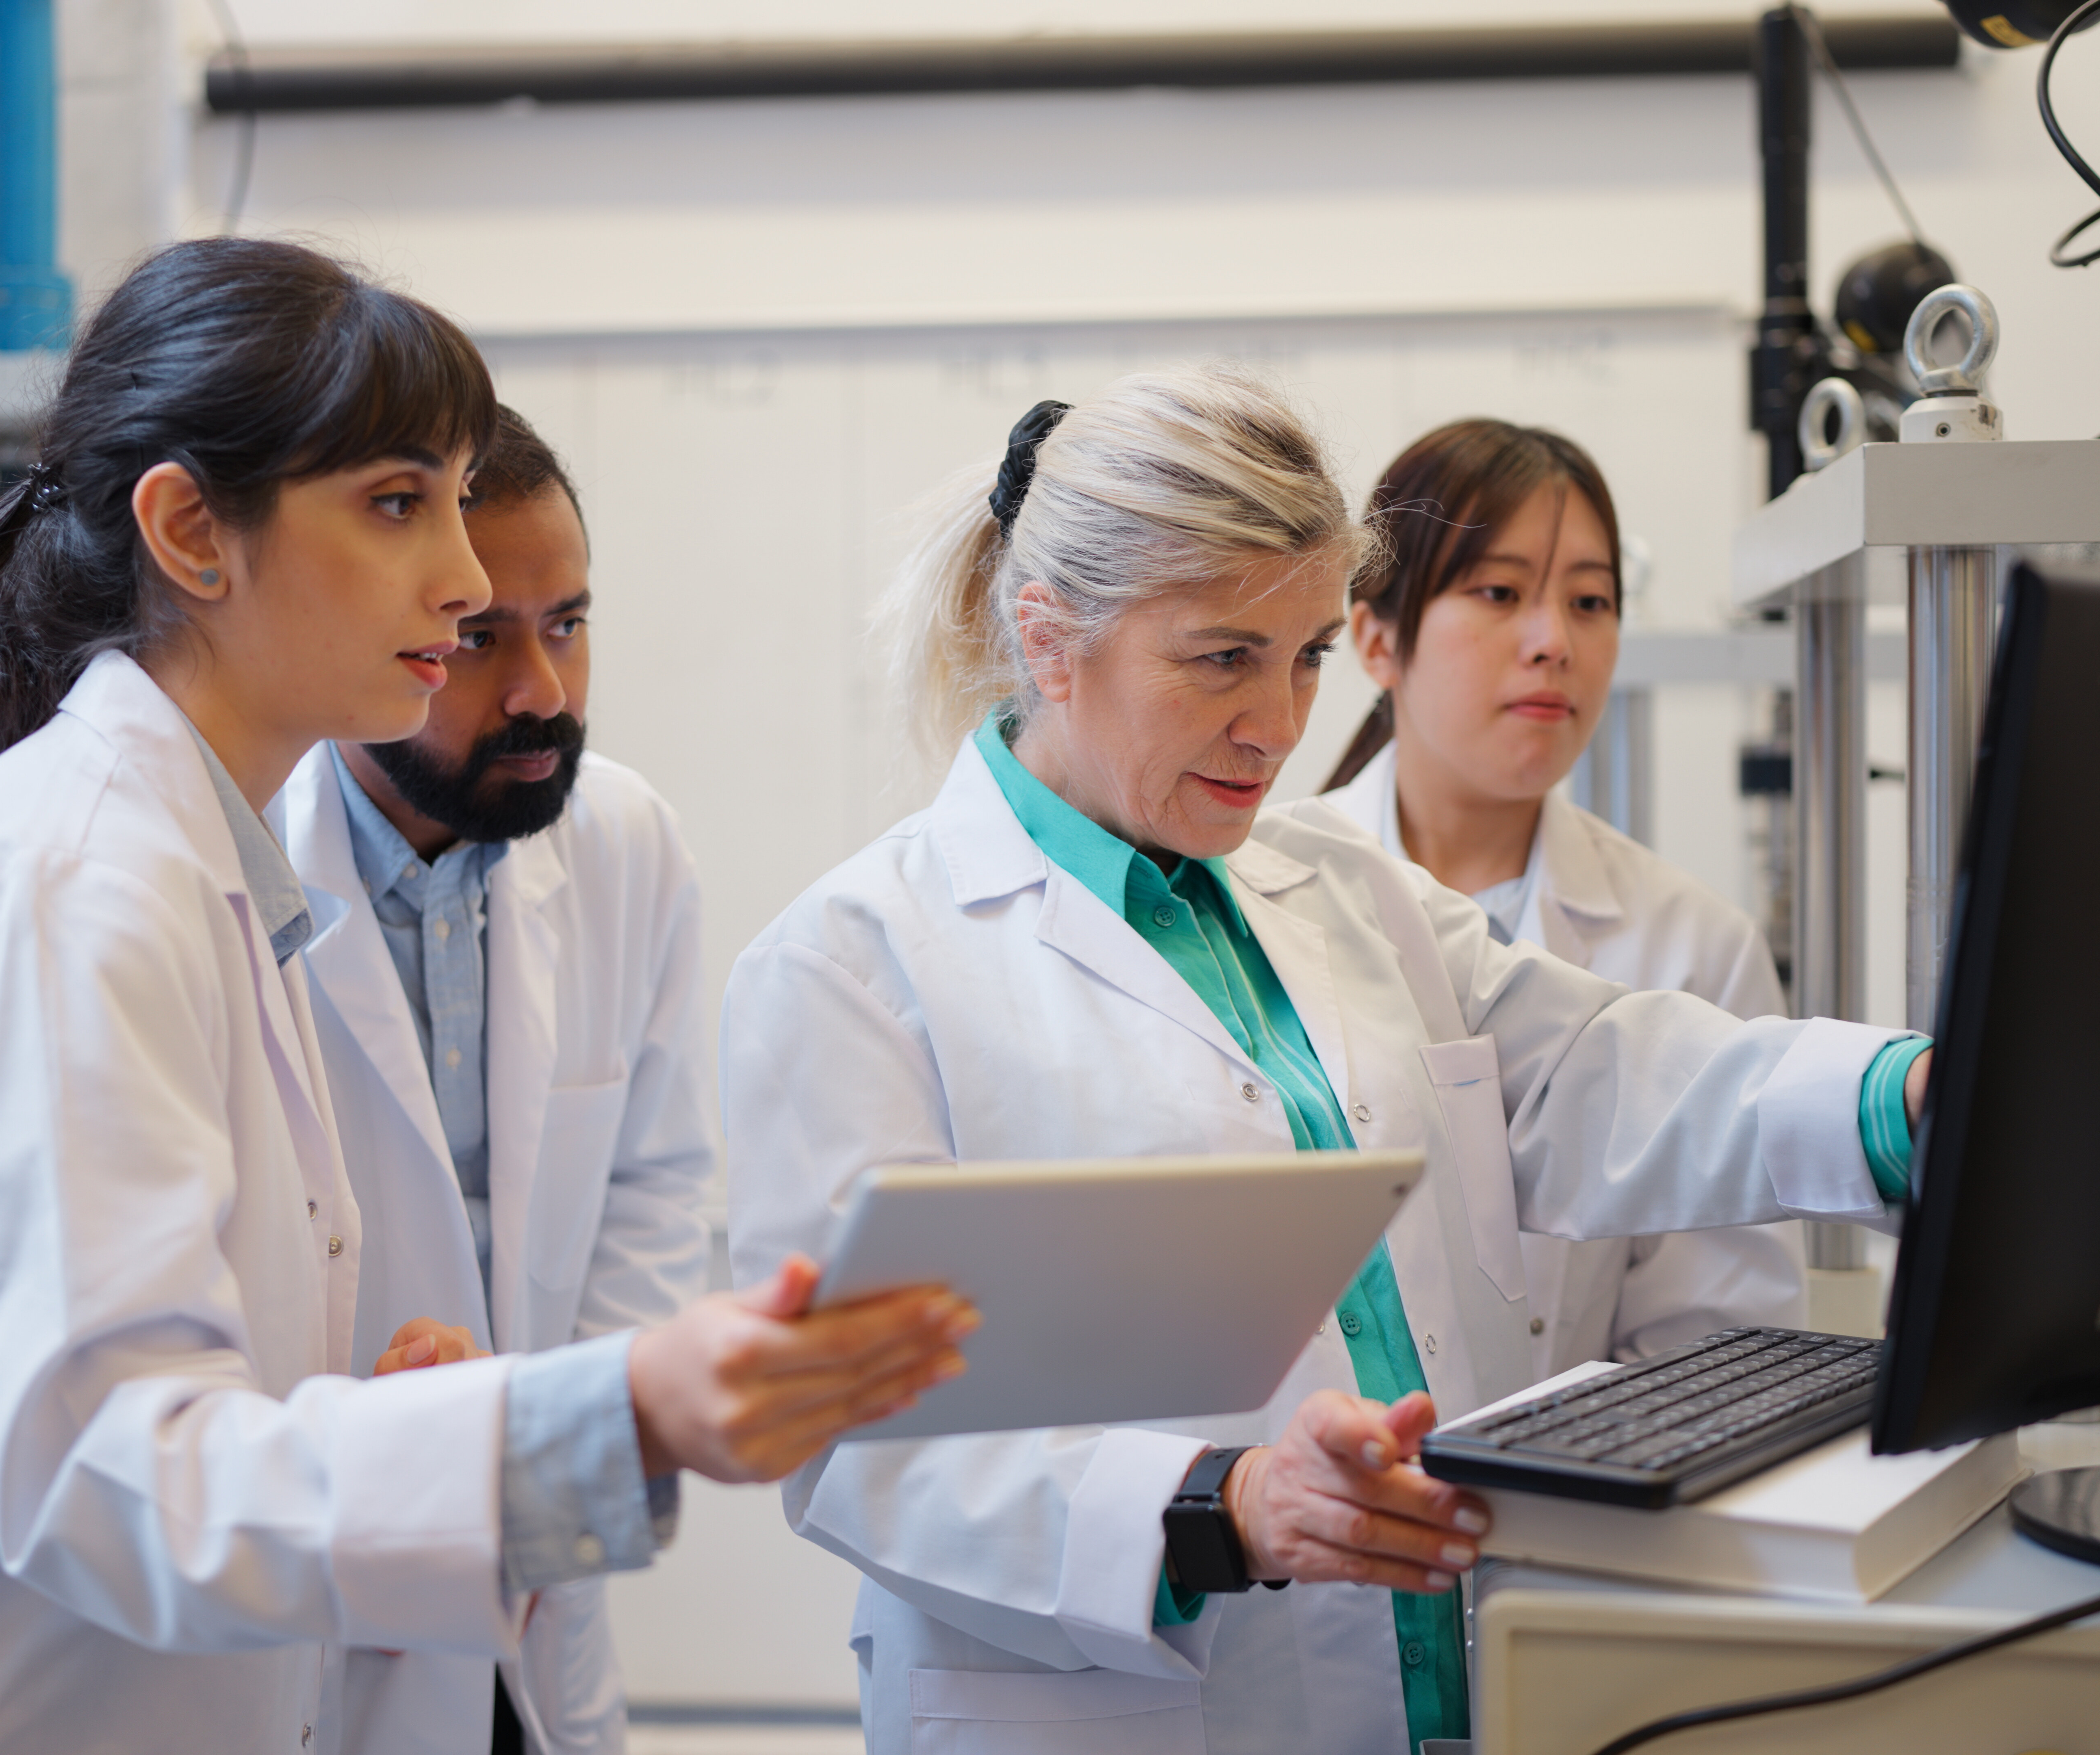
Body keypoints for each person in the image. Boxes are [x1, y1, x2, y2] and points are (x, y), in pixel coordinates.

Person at [0, 239, 975, 1755]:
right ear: (193, 533)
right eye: (400, 504)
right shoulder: (74, 889)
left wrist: (435, 1404)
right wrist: (619, 1413)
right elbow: (125, 1480)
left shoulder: (194, 872)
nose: (469, 580)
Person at [720, 369, 1931, 1755]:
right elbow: (853, 1437)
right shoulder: (855, 966)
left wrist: (1901, 1098)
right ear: (1050, 640)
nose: (1281, 725)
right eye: (1223, 657)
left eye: (1304, 658)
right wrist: (1221, 1508)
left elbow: (1598, 1071)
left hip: (1444, 1687)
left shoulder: (1342, 883)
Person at [274, 407, 709, 1755]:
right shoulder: (230, 870)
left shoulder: (624, 842)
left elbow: (655, 1196)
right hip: (302, 1586)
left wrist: (547, 1494)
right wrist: (405, 1491)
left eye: (567, 625)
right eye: (483, 639)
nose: (543, 692)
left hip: (533, 1584)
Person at [1322, 418, 1805, 1377]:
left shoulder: (1690, 946)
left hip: (1589, 1508)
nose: (1554, 642)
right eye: (1500, 593)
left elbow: (1722, 1338)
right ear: (1377, 640)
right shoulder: (1263, 904)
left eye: (1591, 601)